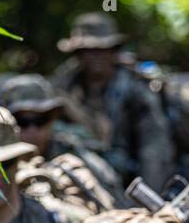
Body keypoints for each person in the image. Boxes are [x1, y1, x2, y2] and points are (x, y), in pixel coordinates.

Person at [51, 12, 175, 192]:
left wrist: (148, 198)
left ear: (114, 51)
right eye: (88, 50)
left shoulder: (136, 90)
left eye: (102, 50)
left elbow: (155, 151)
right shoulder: (65, 86)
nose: (95, 57)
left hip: (131, 181)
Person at [0, 72, 126, 213]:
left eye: (41, 120)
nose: (33, 130)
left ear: (52, 120)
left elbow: (113, 199)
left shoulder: (73, 153)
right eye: (22, 122)